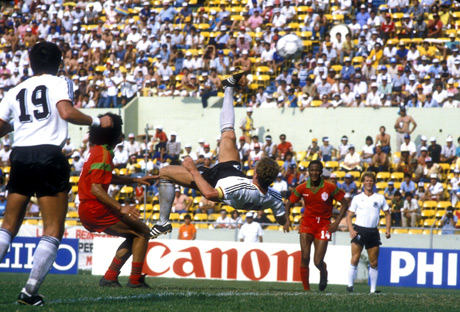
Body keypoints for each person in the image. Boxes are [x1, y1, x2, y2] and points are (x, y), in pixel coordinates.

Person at [0, 42, 113, 306]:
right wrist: (99, 121)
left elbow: (1, 127)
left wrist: (20, 126)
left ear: (30, 63)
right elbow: (66, 112)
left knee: (7, 225)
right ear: (59, 63)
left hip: (20, 155)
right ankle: (29, 291)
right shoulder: (60, 82)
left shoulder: (15, 90)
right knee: (52, 228)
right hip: (48, 155)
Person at [148, 72, 286, 238]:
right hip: (232, 172)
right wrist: (284, 222)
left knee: (164, 172)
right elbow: (280, 216)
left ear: (255, 174)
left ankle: (163, 222)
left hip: (213, 182)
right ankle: (228, 87)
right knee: (229, 135)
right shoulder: (275, 197)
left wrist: (193, 170)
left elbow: (210, 194)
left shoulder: (241, 189)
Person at [78, 113, 154, 289]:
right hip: (95, 207)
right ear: (112, 134)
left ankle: (110, 277)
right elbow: (96, 188)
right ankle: (134, 281)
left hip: (88, 208)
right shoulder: (103, 153)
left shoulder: (97, 151)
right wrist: (122, 208)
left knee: (133, 234)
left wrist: (134, 180)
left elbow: (107, 178)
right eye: (119, 130)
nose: (122, 134)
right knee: (143, 232)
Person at [283, 160, 348, 291]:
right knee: (304, 257)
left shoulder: (329, 187)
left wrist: (336, 222)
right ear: (308, 171)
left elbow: (345, 204)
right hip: (307, 223)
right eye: (311, 170)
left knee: (317, 261)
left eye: (317, 170)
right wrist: (287, 220)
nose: (314, 172)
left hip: (324, 226)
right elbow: (288, 204)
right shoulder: (302, 187)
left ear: (321, 172)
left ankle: (323, 273)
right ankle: (306, 290)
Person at [346, 172, 391, 294]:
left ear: (374, 182)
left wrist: (388, 229)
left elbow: (387, 214)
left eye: (371, 180)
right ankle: (350, 286)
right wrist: (351, 229)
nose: (369, 183)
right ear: (363, 183)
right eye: (366, 180)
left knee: (374, 262)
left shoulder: (380, 198)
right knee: (355, 258)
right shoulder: (357, 198)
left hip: (372, 231)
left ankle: (373, 289)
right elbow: (349, 216)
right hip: (359, 230)